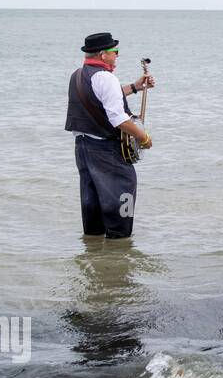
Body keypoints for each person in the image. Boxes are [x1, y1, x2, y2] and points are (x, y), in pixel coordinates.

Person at [64, 31, 155, 239]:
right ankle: (120, 243)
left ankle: (94, 246)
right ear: (103, 54)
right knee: (125, 189)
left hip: (83, 147)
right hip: (106, 150)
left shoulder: (78, 74)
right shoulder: (106, 78)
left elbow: (100, 97)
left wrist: (134, 87)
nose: (117, 56)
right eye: (115, 52)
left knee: (92, 199)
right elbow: (118, 119)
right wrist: (144, 138)